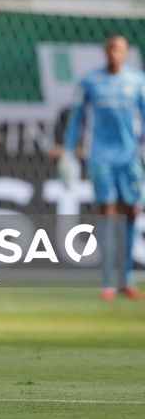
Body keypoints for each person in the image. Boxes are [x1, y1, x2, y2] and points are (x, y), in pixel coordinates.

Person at [59, 34, 145, 301]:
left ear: (125, 52)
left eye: (119, 49)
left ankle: (126, 278)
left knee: (131, 210)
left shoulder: (136, 81)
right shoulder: (90, 81)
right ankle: (108, 280)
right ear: (104, 51)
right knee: (107, 211)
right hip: (100, 156)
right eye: (110, 49)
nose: (114, 54)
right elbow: (76, 119)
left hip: (129, 157)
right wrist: (68, 152)